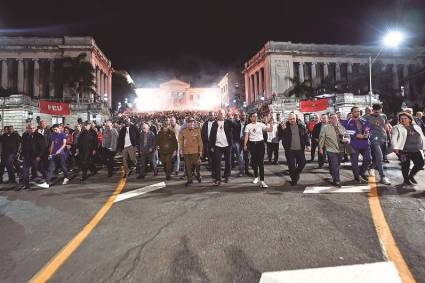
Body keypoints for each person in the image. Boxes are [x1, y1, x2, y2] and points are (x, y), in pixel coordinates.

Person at [391, 112, 425, 186]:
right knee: (405, 165)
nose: (403, 120)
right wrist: (395, 148)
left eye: (405, 118)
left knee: (420, 164)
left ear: (409, 119)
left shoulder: (417, 127)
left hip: (415, 149)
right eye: (401, 119)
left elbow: (422, 137)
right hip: (403, 151)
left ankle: (411, 176)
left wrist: (423, 146)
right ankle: (406, 180)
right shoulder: (397, 127)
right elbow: (393, 138)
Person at [318, 113, 350, 187]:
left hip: (341, 149)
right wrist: (320, 148)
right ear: (330, 120)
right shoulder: (326, 128)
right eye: (333, 118)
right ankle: (337, 180)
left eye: (336, 118)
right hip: (331, 149)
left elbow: (347, 135)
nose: (335, 119)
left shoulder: (342, 127)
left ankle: (333, 173)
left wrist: (347, 140)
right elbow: (321, 138)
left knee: (337, 165)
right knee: (335, 165)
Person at [243, 112, 273, 188]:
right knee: (254, 162)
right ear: (250, 118)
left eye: (256, 116)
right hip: (252, 145)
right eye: (253, 116)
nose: (255, 117)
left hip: (260, 144)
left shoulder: (261, 124)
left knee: (261, 163)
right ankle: (256, 177)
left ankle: (262, 181)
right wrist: (245, 145)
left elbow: (269, 130)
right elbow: (246, 136)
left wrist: (271, 123)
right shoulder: (248, 126)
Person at [365, 104, 391, 185]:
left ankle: (370, 167)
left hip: (383, 138)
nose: (377, 112)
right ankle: (382, 177)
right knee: (379, 157)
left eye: (378, 110)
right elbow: (366, 128)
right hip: (374, 138)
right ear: (373, 110)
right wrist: (366, 133)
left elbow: (386, 128)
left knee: (380, 158)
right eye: (375, 110)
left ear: (381, 109)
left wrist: (389, 138)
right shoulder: (368, 117)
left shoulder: (384, 116)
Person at [281, 113, 311, 185]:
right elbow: (281, 136)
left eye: (293, 118)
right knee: (291, 166)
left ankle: (296, 173)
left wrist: (308, 145)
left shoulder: (301, 126)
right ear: (288, 120)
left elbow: (306, 136)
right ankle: (294, 180)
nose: (292, 120)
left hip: (300, 149)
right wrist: (283, 129)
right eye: (290, 119)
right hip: (289, 150)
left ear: (296, 118)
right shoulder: (285, 127)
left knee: (302, 163)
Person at [345, 106, 371, 183]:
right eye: (355, 111)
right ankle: (357, 177)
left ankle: (361, 172)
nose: (357, 112)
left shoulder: (364, 120)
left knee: (368, 159)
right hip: (353, 144)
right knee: (354, 162)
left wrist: (367, 134)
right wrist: (356, 135)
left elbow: (368, 128)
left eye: (358, 111)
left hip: (365, 143)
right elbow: (347, 132)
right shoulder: (348, 122)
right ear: (352, 113)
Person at [209, 109, 234, 185]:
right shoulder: (214, 124)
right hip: (217, 145)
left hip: (227, 145)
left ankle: (227, 177)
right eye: (219, 113)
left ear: (224, 114)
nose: (220, 115)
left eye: (222, 113)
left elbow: (236, 127)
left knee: (228, 162)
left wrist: (231, 119)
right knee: (217, 163)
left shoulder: (228, 122)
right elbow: (212, 136)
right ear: (217, 115)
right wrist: (212, 146)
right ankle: (218, 179)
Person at [19, 123, 46, 190]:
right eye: (30, 128)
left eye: (33, 128)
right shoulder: (24, 136)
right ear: (27, 129)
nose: (32, 129)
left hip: (35, 156)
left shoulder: (39, 136)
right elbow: (23, 146)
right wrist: (21, 155)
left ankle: (47, 179)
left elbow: (42, 147)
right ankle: (26, 185)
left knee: (40, 169)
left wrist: (39, 156)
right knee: (25, 171)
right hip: (26, 156)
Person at [179, 117, 203, 186]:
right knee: (188, 166)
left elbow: (200, 141)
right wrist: (180, 150)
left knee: (197, 165)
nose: (191, 123)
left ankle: (198, 175)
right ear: (187, 123)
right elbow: (181, 141)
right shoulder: (183, 131)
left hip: (195, 151)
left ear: (194, 123)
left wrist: (200, 150)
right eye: (189, 122)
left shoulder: (197, 130)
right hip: (186, 151)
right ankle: (190, 180)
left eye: (192, 122)